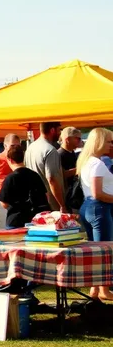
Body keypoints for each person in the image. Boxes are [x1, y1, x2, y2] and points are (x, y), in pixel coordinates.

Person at [76, 128, 113, 300]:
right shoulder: (97, 164)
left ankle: (95, 289)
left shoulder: (87, 161)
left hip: (88, 206)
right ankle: (104, 290)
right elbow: (98, 193)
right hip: (99, 207)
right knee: (104, 250)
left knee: (95, 250)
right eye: (109, 141)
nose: (111, 145)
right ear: (99, 142)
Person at [0, 146, 50, 229]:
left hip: (16, 219)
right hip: (35, 219)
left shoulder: (10, 178)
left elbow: (4, 203)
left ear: (10, 160)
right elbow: (46, 196)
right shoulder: (35, 175)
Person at [25, 122, 67, 213]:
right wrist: (62, 205)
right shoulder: (50, 150)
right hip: (50, 203)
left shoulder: (30, 148)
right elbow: (52, 179)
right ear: (52, 130)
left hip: (34, 200)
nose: (60, 133)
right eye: (59, 130)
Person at [58, 127, 82, 210]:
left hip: (75, 195)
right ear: (67, 139)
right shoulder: (59, 155)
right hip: (68, 197)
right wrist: (80, 168)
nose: (79, 141)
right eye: (77, 138)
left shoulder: (71, 152)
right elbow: (61, 174)